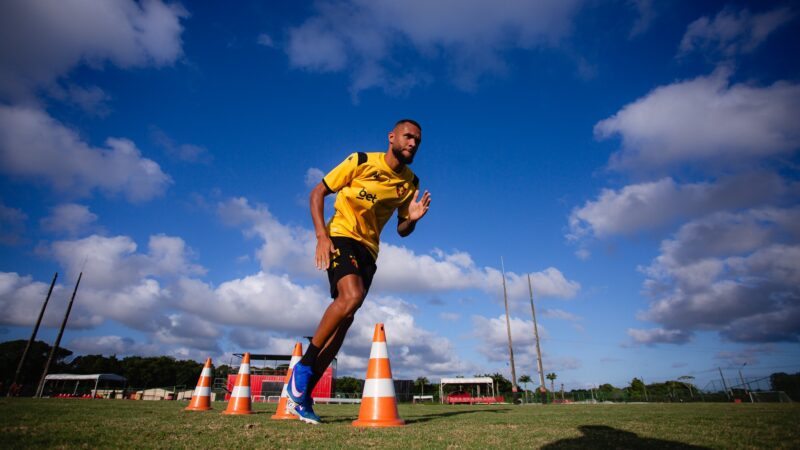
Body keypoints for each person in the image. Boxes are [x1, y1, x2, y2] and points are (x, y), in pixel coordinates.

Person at [287, 119, 431, 424]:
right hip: (341, 234)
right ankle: (303, 367)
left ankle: (301, 395)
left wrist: (413, 218)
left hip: (369, 251)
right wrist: (321, 236)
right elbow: (317, 193)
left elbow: (402, 230)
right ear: (391, 137)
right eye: (408, 137)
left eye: (417, 140)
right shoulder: (361, 160)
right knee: (350, 297)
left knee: (345, 321)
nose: (413, 143)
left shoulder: (410, 183)